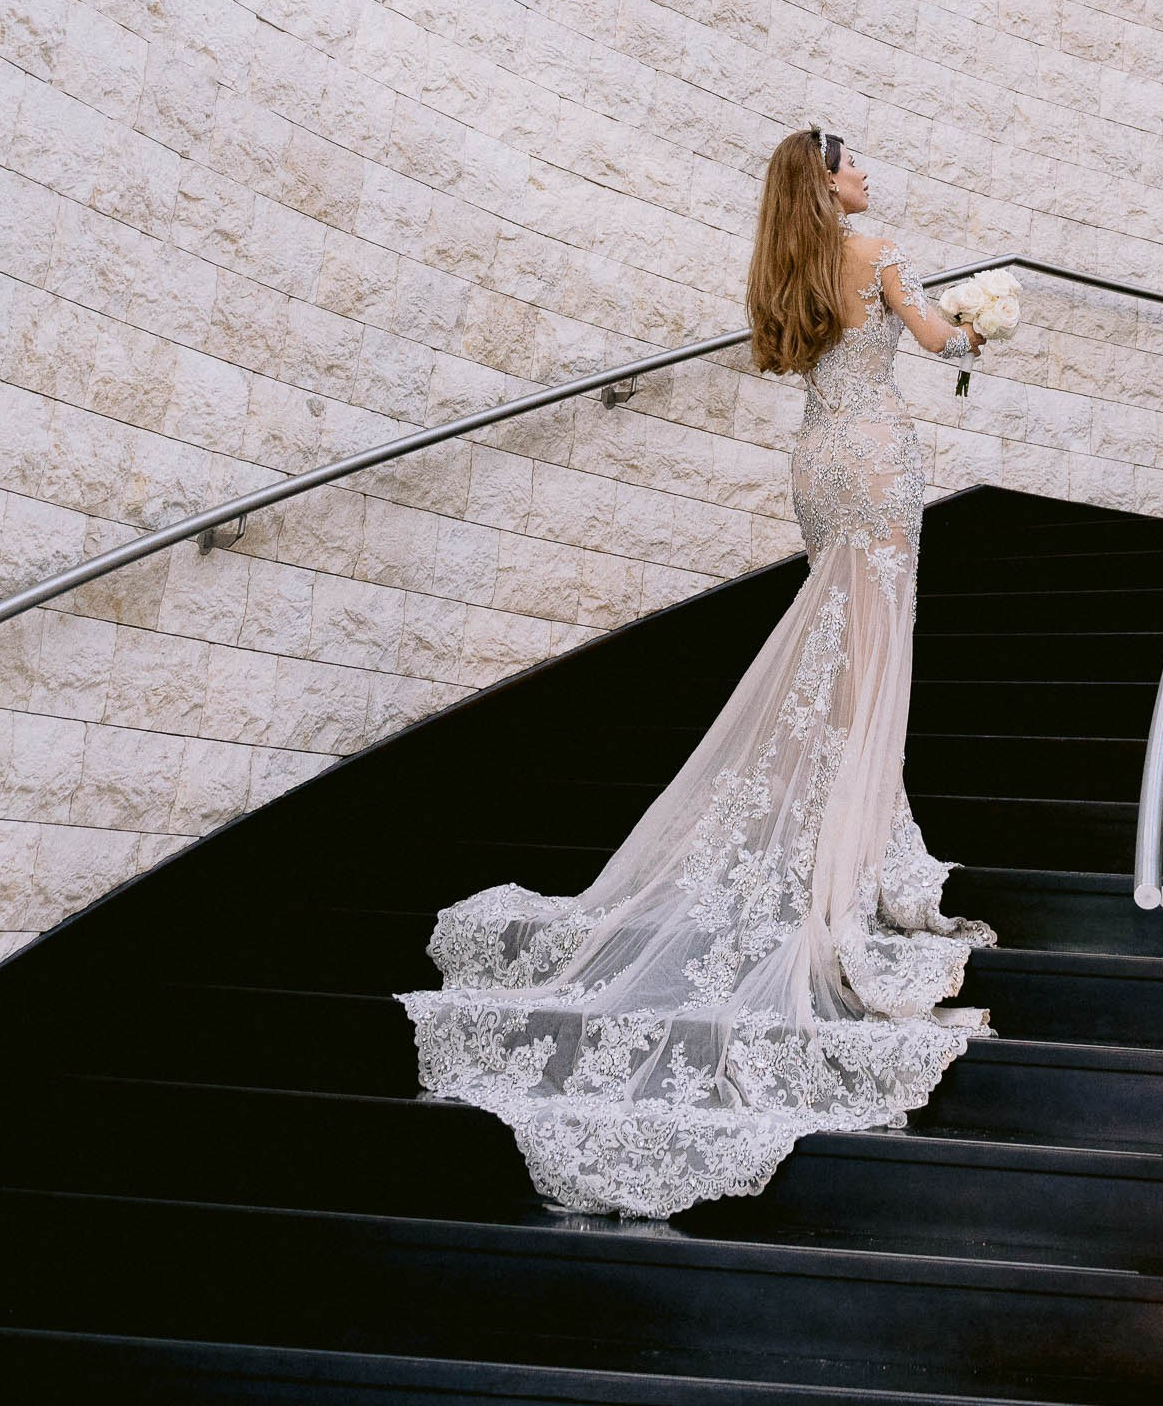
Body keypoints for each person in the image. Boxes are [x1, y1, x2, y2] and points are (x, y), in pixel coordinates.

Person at [399, 127, 996, 1220]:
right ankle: (850, 847)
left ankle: (851, 825)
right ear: (825, 180)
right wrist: (980, 328)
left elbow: (803, 359)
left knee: (844, 643)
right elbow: (934, 339)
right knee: (871, 655)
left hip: (815, 462)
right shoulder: (874, 250)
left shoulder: (789, 266)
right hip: (875, 457)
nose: (865, 173)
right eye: (851, 161)